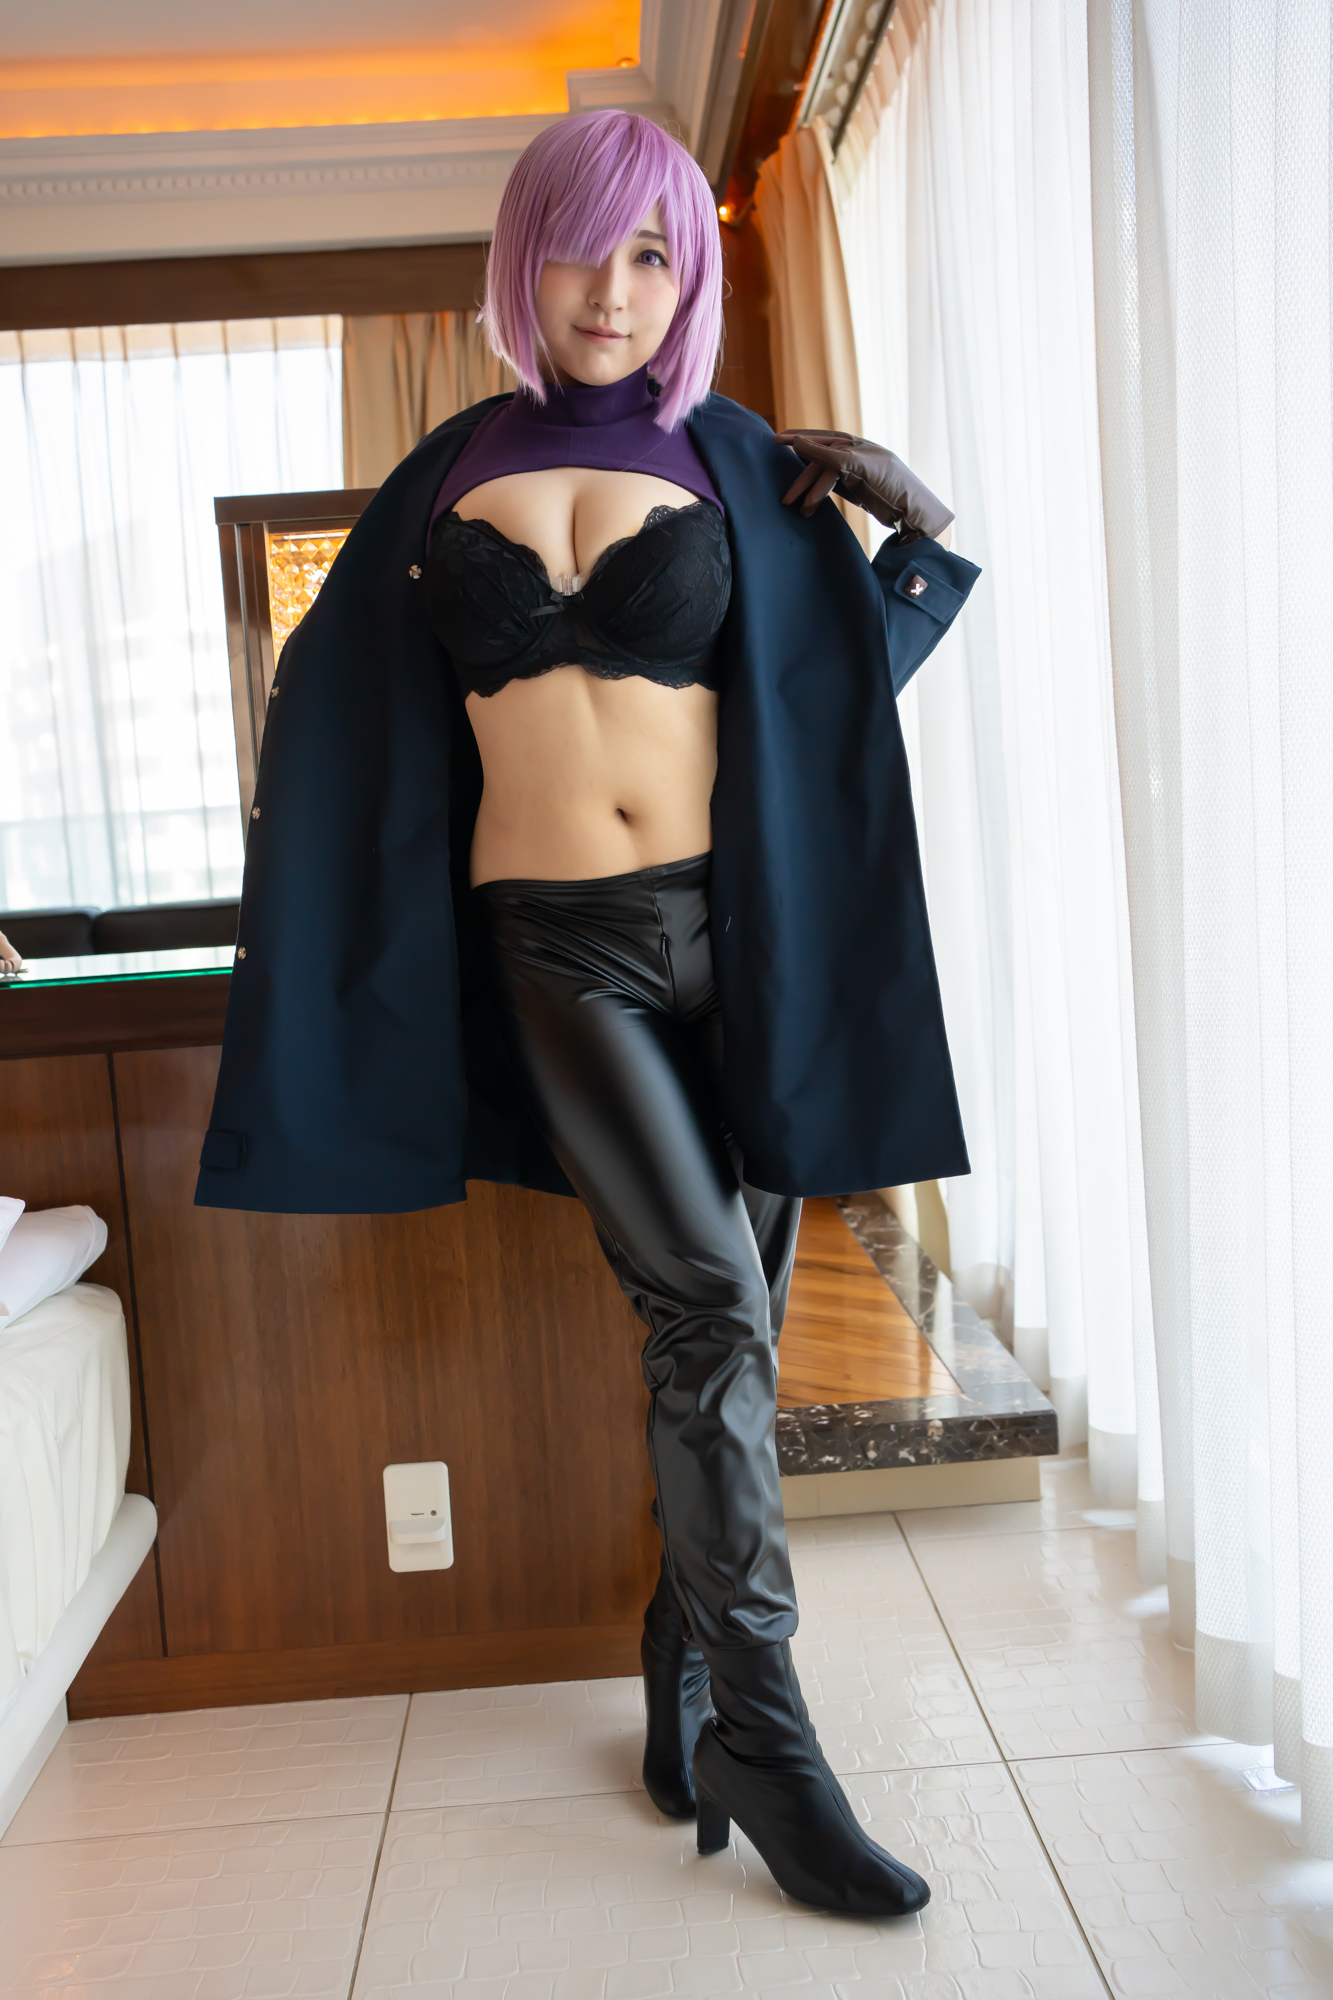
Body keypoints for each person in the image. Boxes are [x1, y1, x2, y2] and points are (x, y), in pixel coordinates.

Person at [197, 110, 979, 1918]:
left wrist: (915, 533)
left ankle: (681, 1669)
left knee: (728, 1336)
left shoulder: (731, 455)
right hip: (561, 956)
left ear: (685, 277)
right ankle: (773, 1749)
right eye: (577, 249)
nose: (611, 291)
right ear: (519, 263)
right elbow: (340, 716)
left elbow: (822, 696)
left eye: (650, 256)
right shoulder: (442, 473)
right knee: (707, 1312)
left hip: (740, 941)